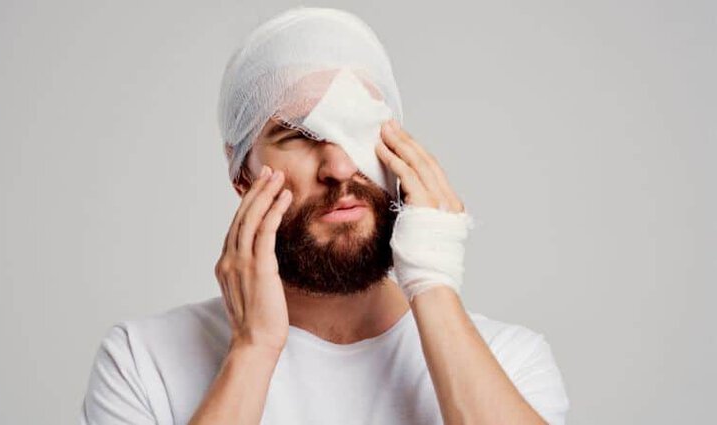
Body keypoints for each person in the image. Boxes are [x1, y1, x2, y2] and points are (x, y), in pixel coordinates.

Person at [80, 7, 570, 425]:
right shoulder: (143, 361)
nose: (339, 167)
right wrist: (252, 350)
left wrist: (433, 283)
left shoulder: (508, 361)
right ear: (242, 175)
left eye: (358, 127)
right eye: (298, 135)